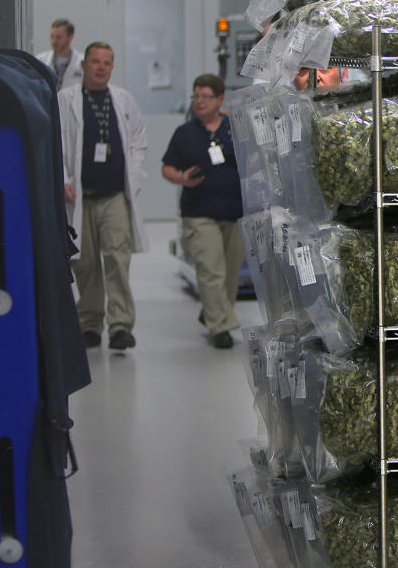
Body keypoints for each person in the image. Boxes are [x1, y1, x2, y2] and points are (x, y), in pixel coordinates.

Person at [59, 42, 147, 351]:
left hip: (115, 196)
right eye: (95, 62)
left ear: (112, 66)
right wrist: (64, 180)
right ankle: (90, 324)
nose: (101, 67)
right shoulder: (65, 100)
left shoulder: (123, 100)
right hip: (79, 196)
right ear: (84, 65)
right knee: (83, 262)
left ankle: (121, 325)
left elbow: (138, 139)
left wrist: (133, 176)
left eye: (106, 63)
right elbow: (55, 143)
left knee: (117, 259)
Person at [160, 74, 244, 349]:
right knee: (211, 270)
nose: (199, 102)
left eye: (205, 96)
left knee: (230, 274)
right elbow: (167, 168)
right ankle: (219, 327)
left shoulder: (234, 129)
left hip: (234, 212)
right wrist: (182, 179)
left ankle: (212, 311)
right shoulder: (185, 133)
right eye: (196, 96)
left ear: (220, 100)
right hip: (199, 212)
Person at [37, 18, 84, 91]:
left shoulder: (82, 63)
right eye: (52, 37)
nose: (54, 41)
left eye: (58, 37)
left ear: (70, 37)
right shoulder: (41, 60)